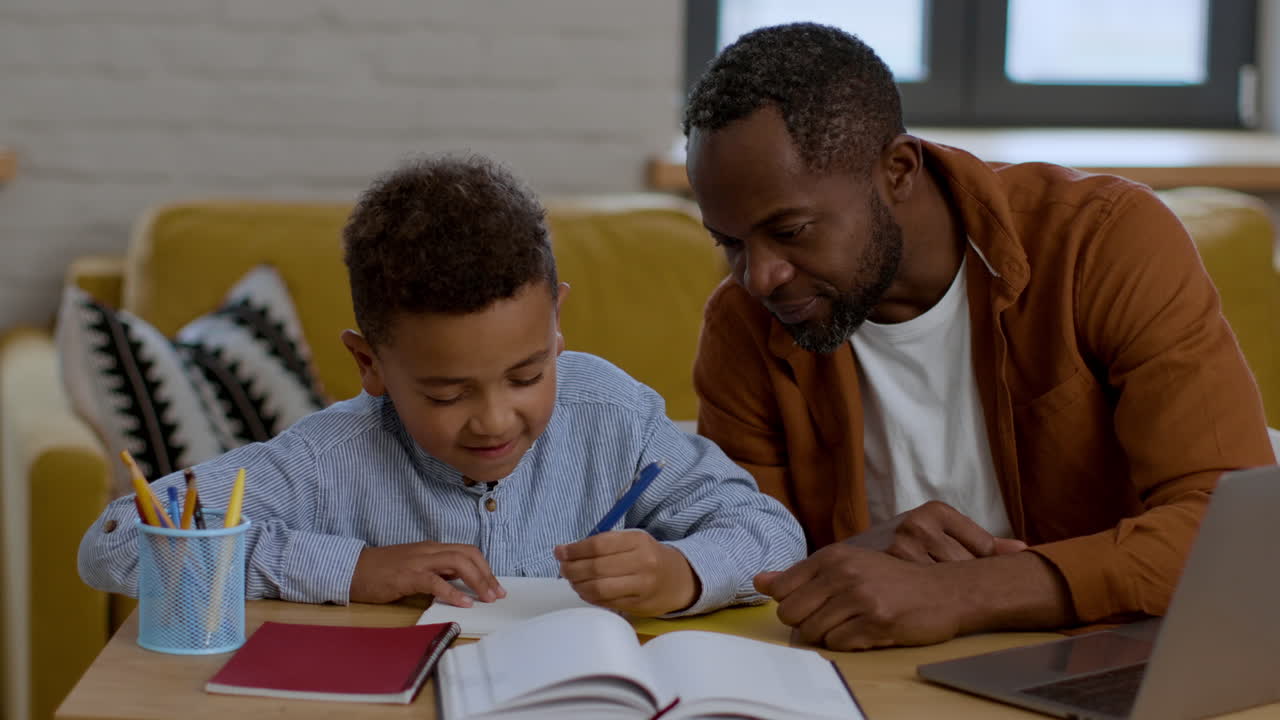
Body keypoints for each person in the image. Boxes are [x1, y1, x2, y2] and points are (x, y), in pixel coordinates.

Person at [682, 22, 1274, 649]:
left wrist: (962, 594)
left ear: (898, 170)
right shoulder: (744, 324)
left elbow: (1233, 533)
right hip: (883, 676)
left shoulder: (1100, 242)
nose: (760, 276)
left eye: (792, 230)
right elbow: (748, 551)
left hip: (1106, 656)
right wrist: (857, 556)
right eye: (730, 243)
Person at [79, 153, 805, 618]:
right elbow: (114, 543)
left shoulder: (614, 416)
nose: (494, 420)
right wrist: (353, 568)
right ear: (370, 366)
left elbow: (773, 534)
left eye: (527, 374)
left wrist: (681, 572)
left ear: (558, 325)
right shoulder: (330, 457)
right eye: (447, 394)